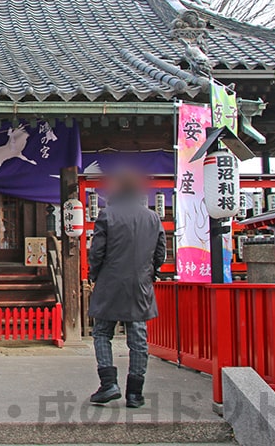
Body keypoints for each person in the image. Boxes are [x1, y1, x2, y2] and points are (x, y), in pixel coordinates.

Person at [87, 169, 166, 408]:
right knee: (138, 337)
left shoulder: (107, 215)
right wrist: (150, 272)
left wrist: (94, 275)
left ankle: (109, 383)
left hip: (110, 283)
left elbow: (97, 252)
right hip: (140, 284)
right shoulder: (152, 218)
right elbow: (160, 252)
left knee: (102, 332)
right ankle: (135, 392)